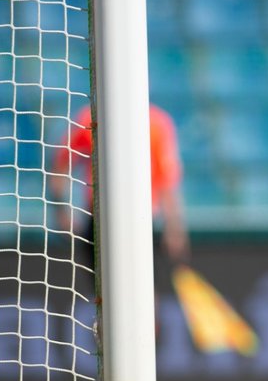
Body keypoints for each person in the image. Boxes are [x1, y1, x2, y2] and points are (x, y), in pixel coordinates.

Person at [51, 103, 189, 288]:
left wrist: (173, 225)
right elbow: (62, 162)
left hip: (141, 220)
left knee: (144, 292)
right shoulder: (92, 118)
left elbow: (167, 180)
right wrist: (62, 211)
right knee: (106, 290)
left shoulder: (156, 124)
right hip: (100, 218)